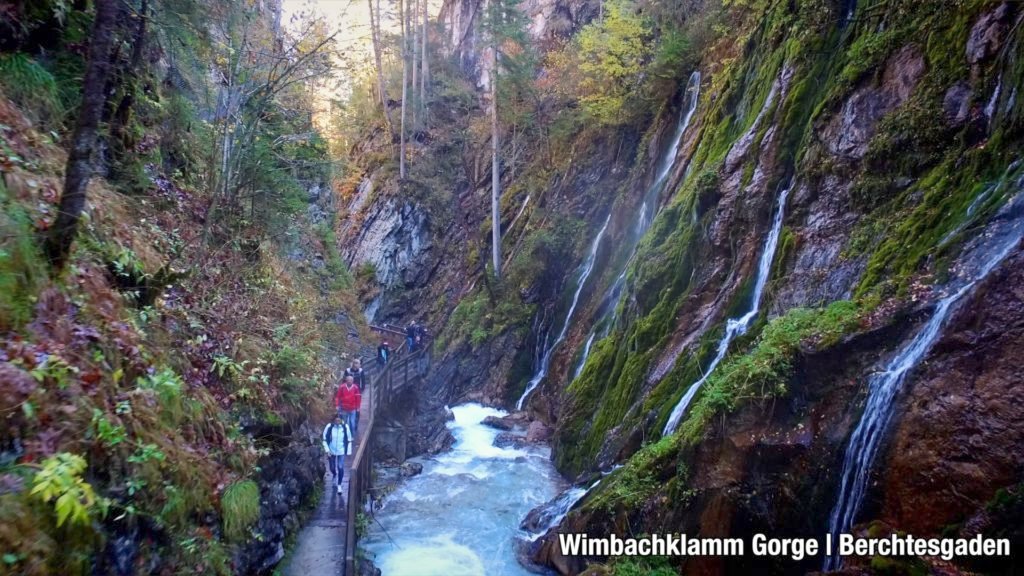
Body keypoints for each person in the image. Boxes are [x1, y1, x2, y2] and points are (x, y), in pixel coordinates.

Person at [322, 414, 353, 494]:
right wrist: (327, 450)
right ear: (334, 420)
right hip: (331, 450)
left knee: (340, 467)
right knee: (332, 467)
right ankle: (334, 474)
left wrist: (348, 452)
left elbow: (349, 439)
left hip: (341, 451)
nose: (337, 422)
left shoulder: (345, 427)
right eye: (336, 420)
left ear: (341, 420)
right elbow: (324, 439)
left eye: (339, 420)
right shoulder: (329, 427)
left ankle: (339, 484)